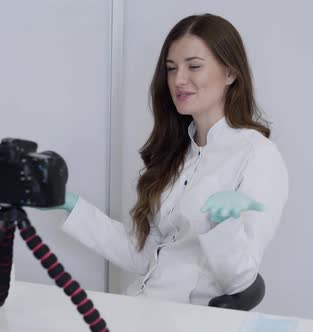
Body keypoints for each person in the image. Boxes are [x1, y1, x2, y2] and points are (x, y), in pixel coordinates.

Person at [47, 13, 288, 306]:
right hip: (142, 306)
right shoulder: (178, 152)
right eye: (171, 68)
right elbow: (147, 255)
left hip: (190, 319)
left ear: (230, 73)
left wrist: (221, 225)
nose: (179, 80)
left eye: (194, 66)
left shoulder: (257, 156)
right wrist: (70, 205)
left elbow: (240, 281)